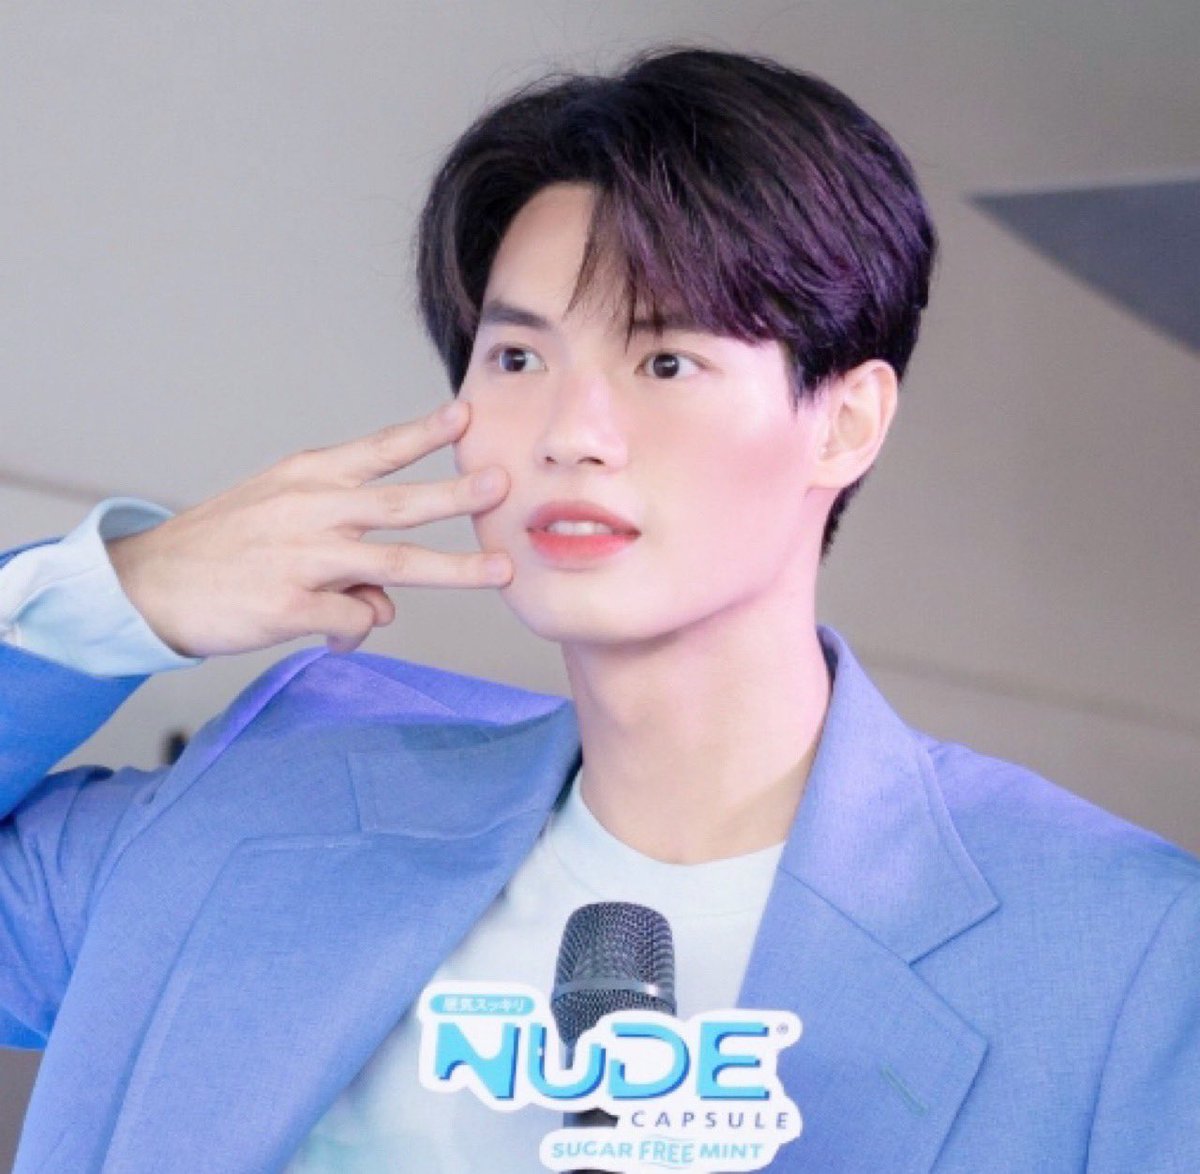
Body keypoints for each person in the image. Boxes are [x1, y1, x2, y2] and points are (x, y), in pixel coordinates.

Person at [1, 45, 1197, 1174]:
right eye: (519, 360)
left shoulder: (1122, 957)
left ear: (844, 422)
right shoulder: (264, 812)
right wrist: (123, 595)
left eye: (665, 361)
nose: (573, 434)